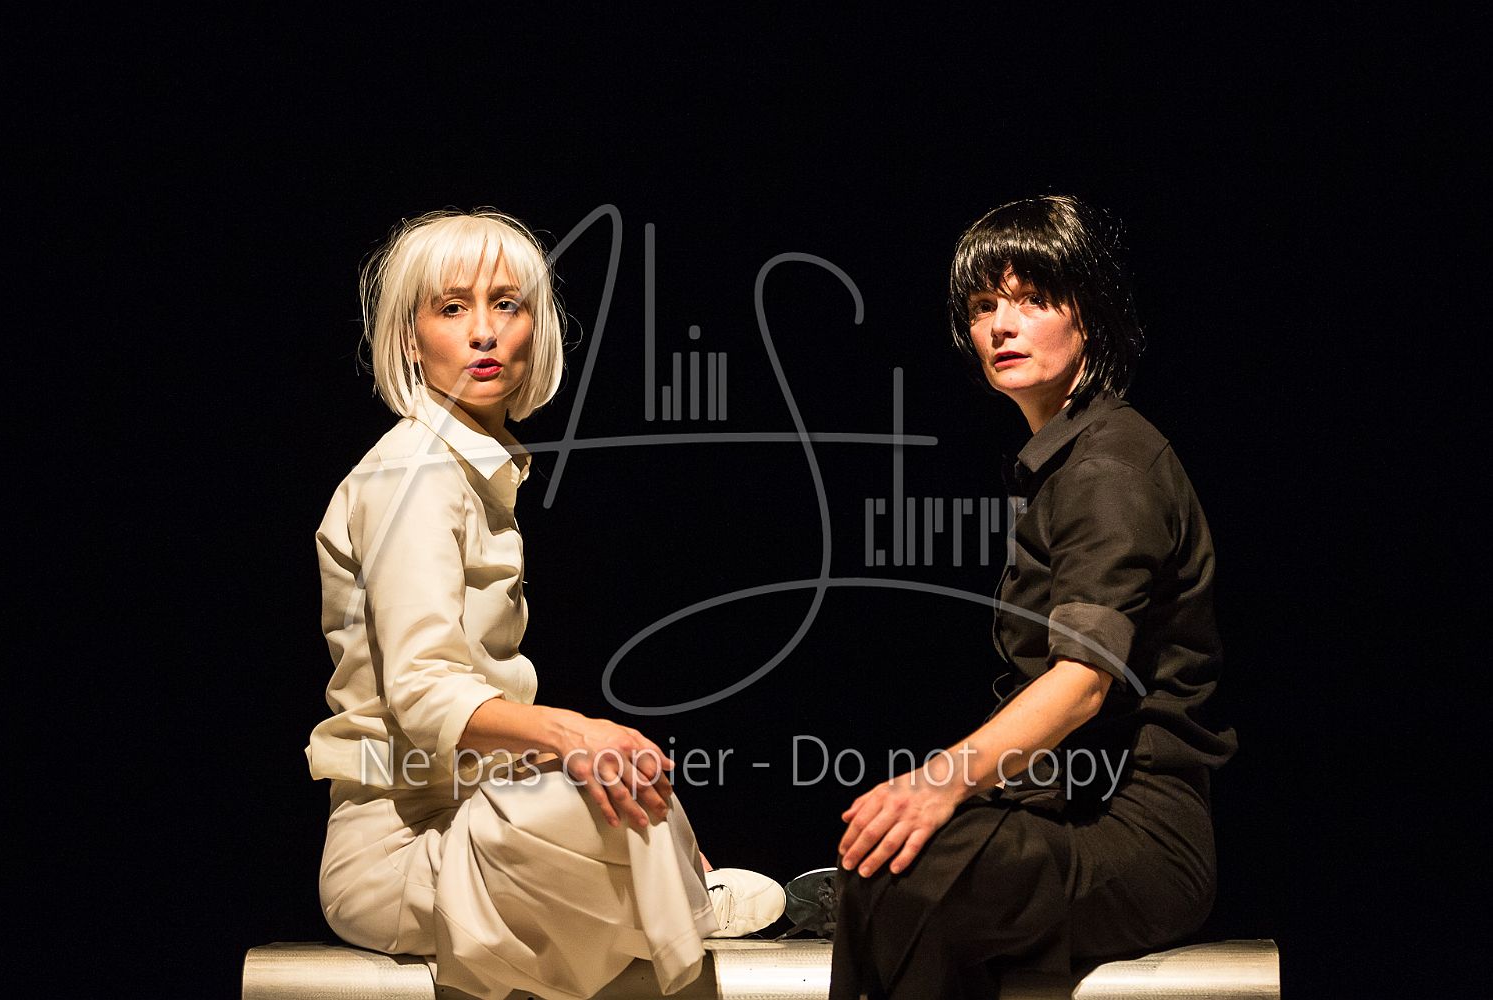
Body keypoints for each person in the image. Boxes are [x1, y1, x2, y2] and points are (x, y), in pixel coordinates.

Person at [305, 209, 783, 1000]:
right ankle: (674, 903)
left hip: (477, 813)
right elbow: (423, 693)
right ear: (411, 337)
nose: (484, 331)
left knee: (619, 782)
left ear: (538, 327)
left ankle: (663, 891)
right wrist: (576, 736)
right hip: (400, 854)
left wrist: (615, 793)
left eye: (507, 304)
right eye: (451, 308)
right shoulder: (413, 476)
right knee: (586, 776)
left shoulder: (468, 470)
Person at [825, 195, 1238, 999]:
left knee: (909, 874)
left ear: (1091, 316)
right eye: (984, 306)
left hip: (1139, 835)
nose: (1002, 327)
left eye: (1033, 299)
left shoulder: (1109, 467)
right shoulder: (1067, 460)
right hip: (1065, 812)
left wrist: (940, 781)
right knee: (882, 863)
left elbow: (1083, 682)